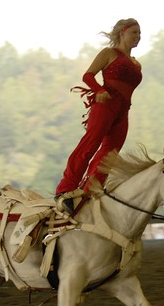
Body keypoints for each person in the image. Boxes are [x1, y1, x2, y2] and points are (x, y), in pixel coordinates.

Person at [55, 18, 143, 213]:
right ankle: (65, 188)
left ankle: (89, 192)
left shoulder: (137, 64)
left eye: (140, 33)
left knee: (110, 154)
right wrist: (99, 90)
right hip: (106, 104)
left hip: (123, 110)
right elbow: (88, 76)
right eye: (134, 32)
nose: (138, 37)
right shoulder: (109, 53)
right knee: (90, 145)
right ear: (122, 32)